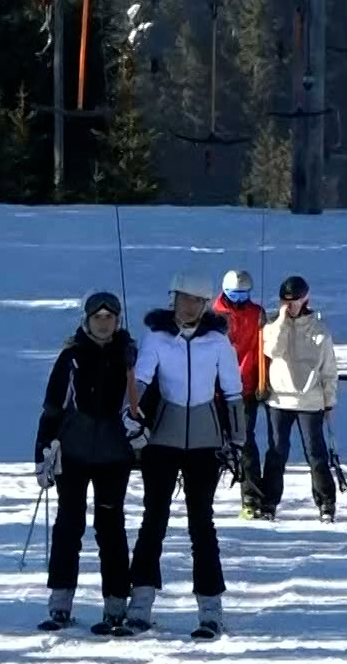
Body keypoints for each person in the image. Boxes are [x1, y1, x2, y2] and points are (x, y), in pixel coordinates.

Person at [124, 273, 244, 639]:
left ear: (206, 305)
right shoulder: (157, 338)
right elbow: (140, 381)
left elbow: (233, 391)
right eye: (182, 299)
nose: (188, 307)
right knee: (153, 520)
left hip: (205, 442)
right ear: (172, 299)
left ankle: (210, 609)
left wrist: (237, 440)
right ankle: (140, 604)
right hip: (163, 439)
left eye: (196, 301)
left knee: (202, 524)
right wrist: (130, 413)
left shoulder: (218, 342)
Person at [32, 291, 140, 634]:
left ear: (118, 321)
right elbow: (53, 406)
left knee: (110, 527)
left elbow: (142, 403)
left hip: (114, 456)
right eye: (98, 318)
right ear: (87, 321)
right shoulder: (72, 356)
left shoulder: (130, 357)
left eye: (110, 318)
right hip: (74, 454)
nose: (104, 324)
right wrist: (43, 450)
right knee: (68, 524)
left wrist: (141, 436)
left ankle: (115, 605)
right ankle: (60, 602)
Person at [260, 275, 341, 523]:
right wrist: (283, 321)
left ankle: (326, 502)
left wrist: (329, 401)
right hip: (279, 400)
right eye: (285, 301)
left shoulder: (319, 331)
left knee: (315, 453)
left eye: (294, 301)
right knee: (276, 452)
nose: (290, 306)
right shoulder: (273, 326)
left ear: (305, 300)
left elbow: (329, 370)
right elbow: (273, 350)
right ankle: (269, 502)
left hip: (310, 401)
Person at [212, 269, 268, 517]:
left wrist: (264, 381)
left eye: (243, 295)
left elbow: (263, 349)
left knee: (245, 443)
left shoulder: (256, 314)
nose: (238, 300)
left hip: (245, 388)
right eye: (234, 295)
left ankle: (252, 499)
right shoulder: (213, 315)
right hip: (214, 391)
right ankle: (201, 495)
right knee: (211, 443)